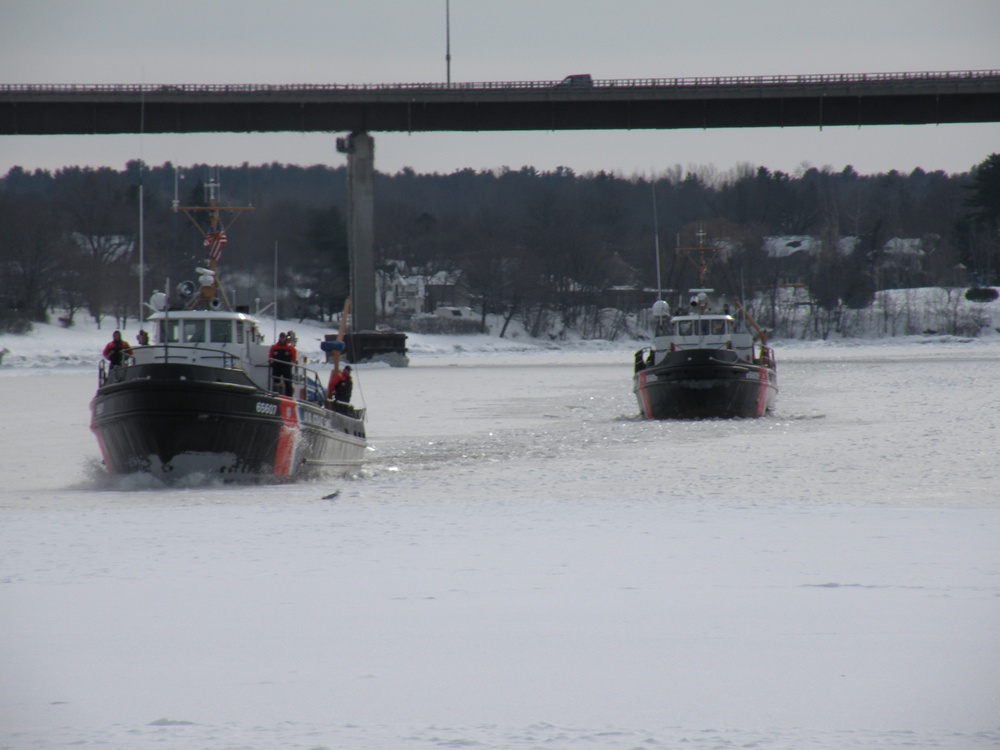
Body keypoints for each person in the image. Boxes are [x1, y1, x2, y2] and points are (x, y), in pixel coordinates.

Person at [268, 332, 297, 396]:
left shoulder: (290, 347)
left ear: (285, 338)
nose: (282, 339)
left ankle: (289, 395)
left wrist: (292, 362)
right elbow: (270, 355)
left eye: (283, 337)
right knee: (276, 380)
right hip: (276, 366)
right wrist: (271, 360)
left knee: (288, 381)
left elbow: (293, 356)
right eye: (281, 337)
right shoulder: (274, 347)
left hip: (286, 367)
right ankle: (276, 394)